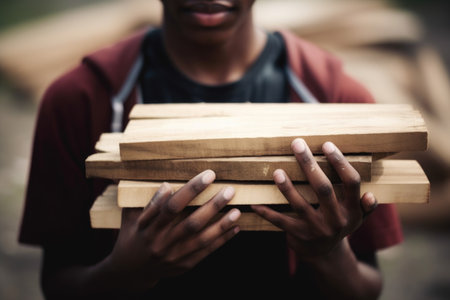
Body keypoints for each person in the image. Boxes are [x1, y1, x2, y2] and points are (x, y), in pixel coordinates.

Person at [19, 0, 403, 298]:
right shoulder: (80, 100)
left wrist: (328, 252)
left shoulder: (336, 99)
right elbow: (57, 284)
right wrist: (124, 274)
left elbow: (366, 288)